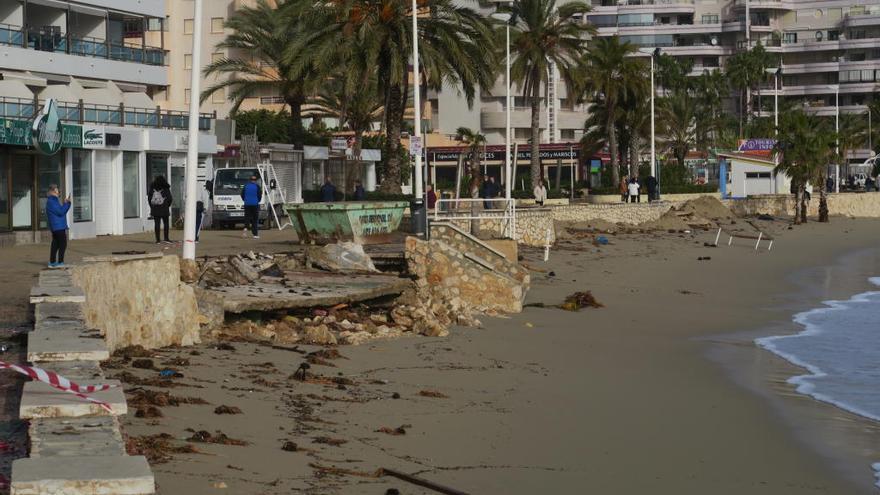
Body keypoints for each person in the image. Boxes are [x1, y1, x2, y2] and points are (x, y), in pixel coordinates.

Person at [46, 184, 71, 268]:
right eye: (57, 191)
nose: (59, 192)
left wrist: (64, 203)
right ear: (52, 192)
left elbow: (59, 211)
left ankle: (52, 262)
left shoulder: (54, 201)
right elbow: (60, 212)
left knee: (56, 244)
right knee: (62, 244)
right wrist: (67, 204)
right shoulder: (52, 201)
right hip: (58, 227)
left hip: (57, 226)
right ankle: (60, 262)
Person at [148, 176, 172, 244]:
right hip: (164, 208)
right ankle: (166, 238)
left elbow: (149, 199)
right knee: (166, 223)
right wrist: (167, 205)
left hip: (155, 208)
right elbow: (170, 198)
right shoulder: (166, 188)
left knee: (157, 224)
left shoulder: (152, 188)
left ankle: (158, 240)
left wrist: (152, 206)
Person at [241, 175, 262, 239]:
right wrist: (257, 201)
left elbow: (242, 194)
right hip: (254, 204)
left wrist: (245, 200)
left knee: (247, 217)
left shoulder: (246, 186)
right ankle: (255, 235)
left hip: (247, 204)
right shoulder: (257, 186)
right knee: (255, 219)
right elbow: (259, 195)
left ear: (250, 180)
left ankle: (245, 228)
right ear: (255, 180)